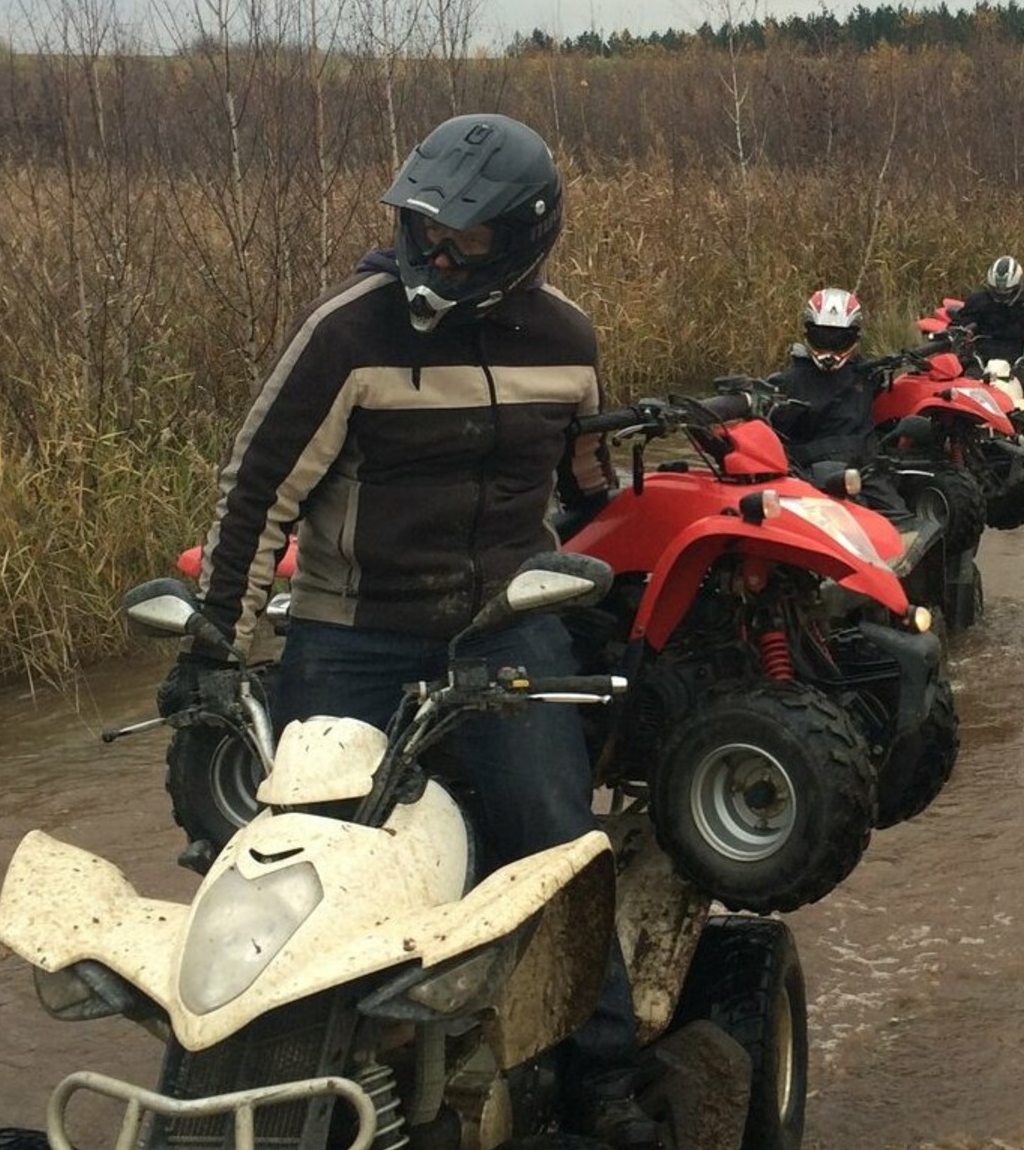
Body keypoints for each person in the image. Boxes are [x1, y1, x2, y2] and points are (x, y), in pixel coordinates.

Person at [161, 113, 661, 1149]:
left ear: (522, 239)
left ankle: (602, 1069)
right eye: (419, 228)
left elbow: (581, 484)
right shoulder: (348, 331)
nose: (431, 253)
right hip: (355, 628)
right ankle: (231, 1086)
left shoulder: (569, 341)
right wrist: (215, 646)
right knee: (295, 852)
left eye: (460, 239)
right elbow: (257, 492)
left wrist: (601, 577)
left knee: (556, 836)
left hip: (503, 627)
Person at [767, 287, 884, 471]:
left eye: (838, 341)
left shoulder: (870, 374)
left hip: (865, 470)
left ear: (854, 338)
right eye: (822, 338)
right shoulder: (786, 384)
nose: (829, 350)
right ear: (808, 334)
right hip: (810, 473)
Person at [948, 254, 1024, 366]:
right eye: (996, 291)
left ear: (1016, 286)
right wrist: (965, 331)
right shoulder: (978, 300)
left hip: (1016, 361)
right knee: (965, 380)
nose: (1001, 295)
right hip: (980, 359)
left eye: (1007, 292)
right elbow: (960, 324)